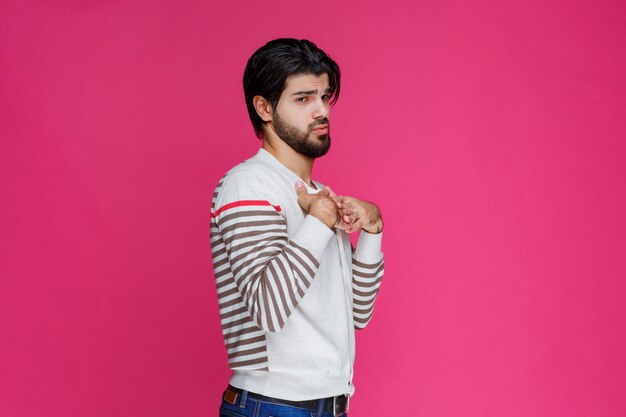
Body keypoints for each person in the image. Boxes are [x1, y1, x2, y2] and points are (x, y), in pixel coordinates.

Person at [210, 38, 385, 417]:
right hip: (273, 404)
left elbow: (357, 314)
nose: (321, 110)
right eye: (303, 99)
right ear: (264, 107)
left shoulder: (320, 194)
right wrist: (320, 220)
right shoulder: (249, 183)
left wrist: (372, 230)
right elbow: (269, 309)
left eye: (324, 96)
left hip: (329, 404)